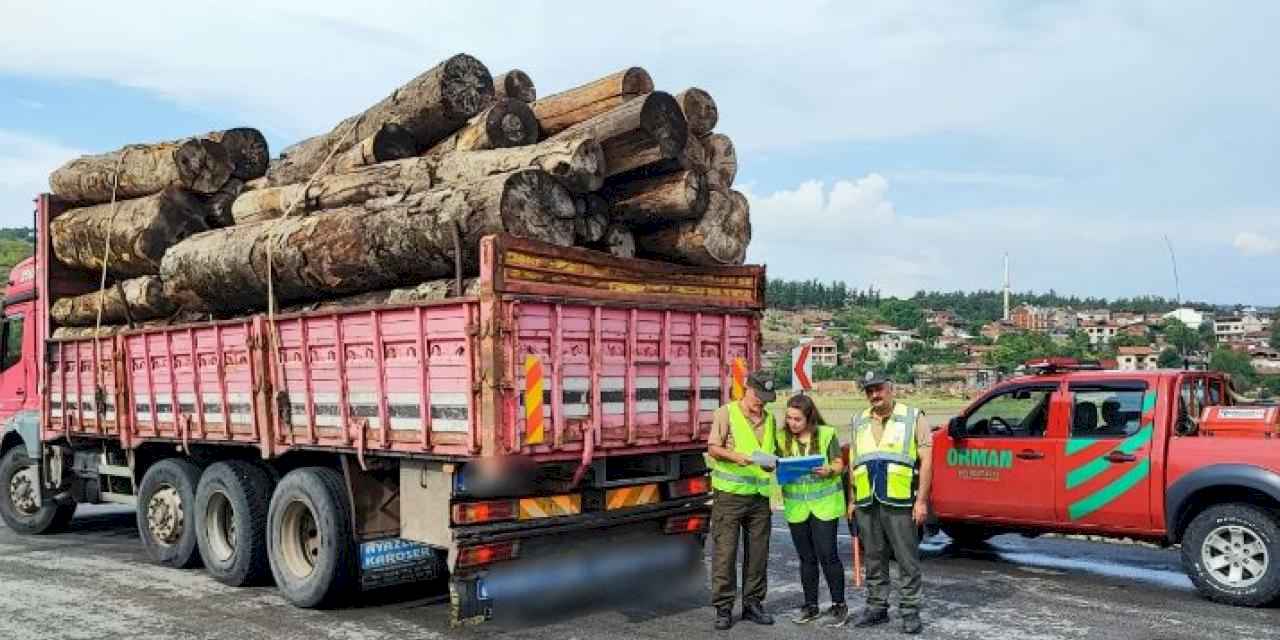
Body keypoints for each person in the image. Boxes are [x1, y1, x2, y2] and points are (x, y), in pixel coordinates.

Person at [847, 371, 933, 635]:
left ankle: (910, 611)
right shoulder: (858, 420)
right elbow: (854, 461)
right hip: (866, 500)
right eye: (869, 390)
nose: (874, 394)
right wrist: (851, 500)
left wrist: (921, 501)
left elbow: (927, 460)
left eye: (879, 389)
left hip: (899, 500)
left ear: (890, 388)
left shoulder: (912, 416)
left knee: (906, 559)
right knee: (873, 557)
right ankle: (876, 607)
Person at [706, 371, 778, 631]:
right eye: (759, 396)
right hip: (730, 496)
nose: (762, 402)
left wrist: (771, 465)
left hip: (759, 498)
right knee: (725, 554)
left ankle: (753, 604)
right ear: (746, 389)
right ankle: (724, 608)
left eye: (766, 398)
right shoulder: (726, 413)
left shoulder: (770, 419)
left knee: (758, 554)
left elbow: (771, 453)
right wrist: (735, 457)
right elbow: (713, 448)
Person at [776, 393, 848, 627]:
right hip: (797, 507)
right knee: (806, 558)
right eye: (788, 418)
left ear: (809, 418)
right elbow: (775, 465)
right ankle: (811, 606)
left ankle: (838, 605)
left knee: (828, 555)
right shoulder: (781, 438)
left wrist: (829, 470)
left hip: (823, 506)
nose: (791, 423)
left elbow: (839, 463)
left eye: (797, 419)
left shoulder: (827, 434)